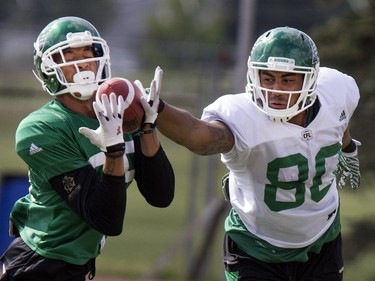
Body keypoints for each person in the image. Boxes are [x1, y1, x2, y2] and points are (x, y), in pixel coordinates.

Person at [146, 27, 361, 280]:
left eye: (288, 79)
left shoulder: (337, 89)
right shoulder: (243, 117)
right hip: (255, 248)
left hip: (322, 240)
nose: (276, 90)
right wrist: (156, 109)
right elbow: (197, 135)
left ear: (310, 80)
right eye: (268, 79)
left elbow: (339, 121)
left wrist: (347, 148)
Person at [0, 16, 175, 281]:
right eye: (67, 55)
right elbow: (105, 218)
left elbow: (161, 195)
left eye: (87, 52)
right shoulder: (41, 128)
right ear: (49, 68)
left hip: (77, 264)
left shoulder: (119, 110)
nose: (81, 62)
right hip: (38, 263)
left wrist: (147, 128)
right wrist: (114, 151)